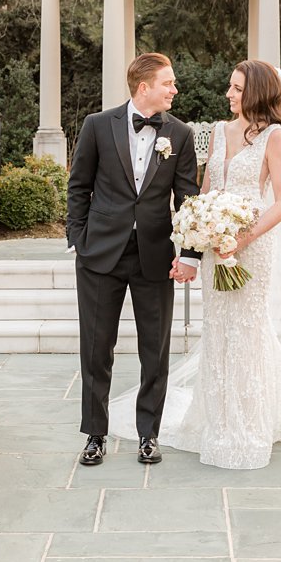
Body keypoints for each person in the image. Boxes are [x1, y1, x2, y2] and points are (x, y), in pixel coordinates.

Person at [110, 59, 281, 469]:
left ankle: (249, 425)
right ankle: (216, 420)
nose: (229, 94)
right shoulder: (220, 133)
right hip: (215, 244)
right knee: (219, 329)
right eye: (230, 87)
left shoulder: (276, 137)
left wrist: (241, 237)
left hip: (252, 247)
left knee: (249, 330)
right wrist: (196, 235)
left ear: (255, 92)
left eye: (236, 89)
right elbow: (204, 190)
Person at [66, 52, 200, 468]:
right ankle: (94, 435)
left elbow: (189, 199)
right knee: (96, 347)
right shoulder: (96, 126)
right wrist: (78, 238)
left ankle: (149, 434)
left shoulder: (179, 133)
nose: (174, 90)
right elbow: (78, 185)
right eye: (168, 83)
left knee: (154, 350)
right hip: (100, 254)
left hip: (156, 257)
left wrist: (190, 254)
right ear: (145, 87)